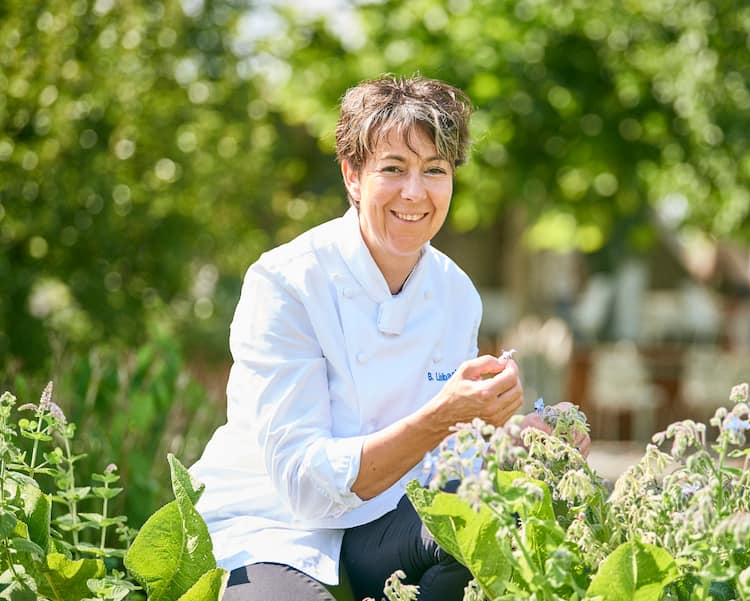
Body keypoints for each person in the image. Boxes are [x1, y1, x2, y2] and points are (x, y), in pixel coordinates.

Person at [190, 74, 591, 601]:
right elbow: (305, 489)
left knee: (497, 527)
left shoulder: (454, 293)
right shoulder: (287, 282)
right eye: (394, 169)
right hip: (272, 526)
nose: (415, 192)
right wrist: (441, 415)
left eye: (435, 171)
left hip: (381, 524)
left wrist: (510, 439)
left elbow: (444, 461)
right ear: (352, 175)